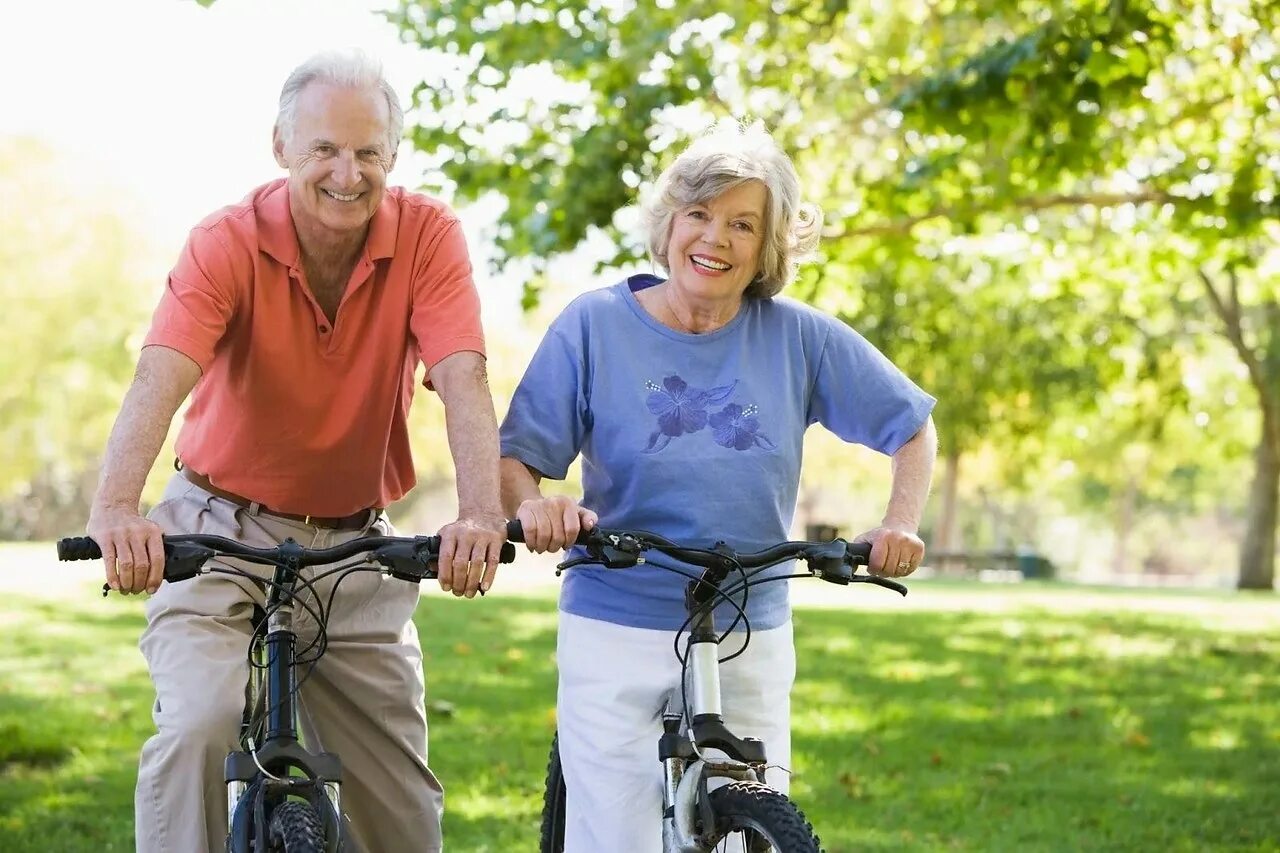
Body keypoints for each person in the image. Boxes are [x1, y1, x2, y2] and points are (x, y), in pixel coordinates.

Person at [85, 50, 506, 853]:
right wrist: (115, 508)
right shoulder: (226, 241)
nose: (348, 174)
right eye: (325, 150)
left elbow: (464, 374)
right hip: (218, 528)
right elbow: (160, 375)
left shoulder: (427, 235)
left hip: (355, 543)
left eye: (368, 153)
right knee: (200, 726)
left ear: (392, 154)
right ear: (281, 147)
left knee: (404, 807)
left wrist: (482, 512)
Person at [499, 120, 938, 850]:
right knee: (616, 833)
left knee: (746, 827)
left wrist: (900, 521)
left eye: (742, 223)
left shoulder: (797, 335)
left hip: (747, 623)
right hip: (618, 617)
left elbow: (912, 426)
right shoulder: (594, 326)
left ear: (767, 247)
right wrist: (535, 506)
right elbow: (517, 457)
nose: (716, 237)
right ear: (668, 225)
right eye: (699, 214)